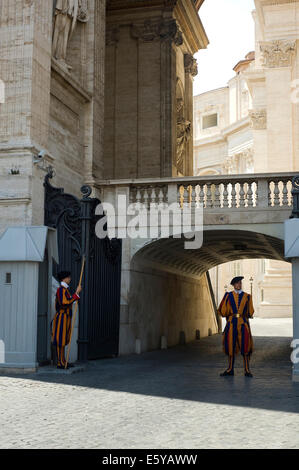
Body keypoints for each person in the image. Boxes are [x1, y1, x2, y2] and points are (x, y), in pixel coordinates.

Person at [217, 276, 254, 377]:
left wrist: (246, 317)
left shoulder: (247, 296)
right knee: (230, 345)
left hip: (243, 323)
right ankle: (230, 369)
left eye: (240, 283)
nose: (239, 285)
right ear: (233, 285)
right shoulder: (228, 296)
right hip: (231, 323)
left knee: (245, 345)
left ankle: (247, 370)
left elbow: (250, 312)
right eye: (237, 283)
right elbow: (223, 311)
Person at [51, 270, 82, 369]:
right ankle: (60, 362)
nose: (70, 279)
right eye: (68, 277)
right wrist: (76, 294)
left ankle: (63, 361)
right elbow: (64, 302)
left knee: (64, 339)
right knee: (60, 339)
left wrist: (75, 295)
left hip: (66, 317)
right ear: (64, 278)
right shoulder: (61, 290)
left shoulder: (65, 290)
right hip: (61, 317)